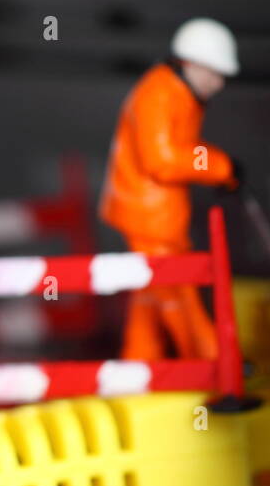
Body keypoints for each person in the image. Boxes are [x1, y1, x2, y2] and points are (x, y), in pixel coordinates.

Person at [100, 19, 240, 360]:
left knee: (150, 295)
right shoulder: (160, 94)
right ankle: (210, 363)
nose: (219, 83)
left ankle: (138, 359)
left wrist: (219, 167)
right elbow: (161, 160)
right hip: (147, 214)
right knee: (176, 291)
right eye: (214, 72)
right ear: (190, 63)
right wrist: (221, 166)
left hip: (154, 211)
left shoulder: (176, 92)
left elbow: (179, 150)